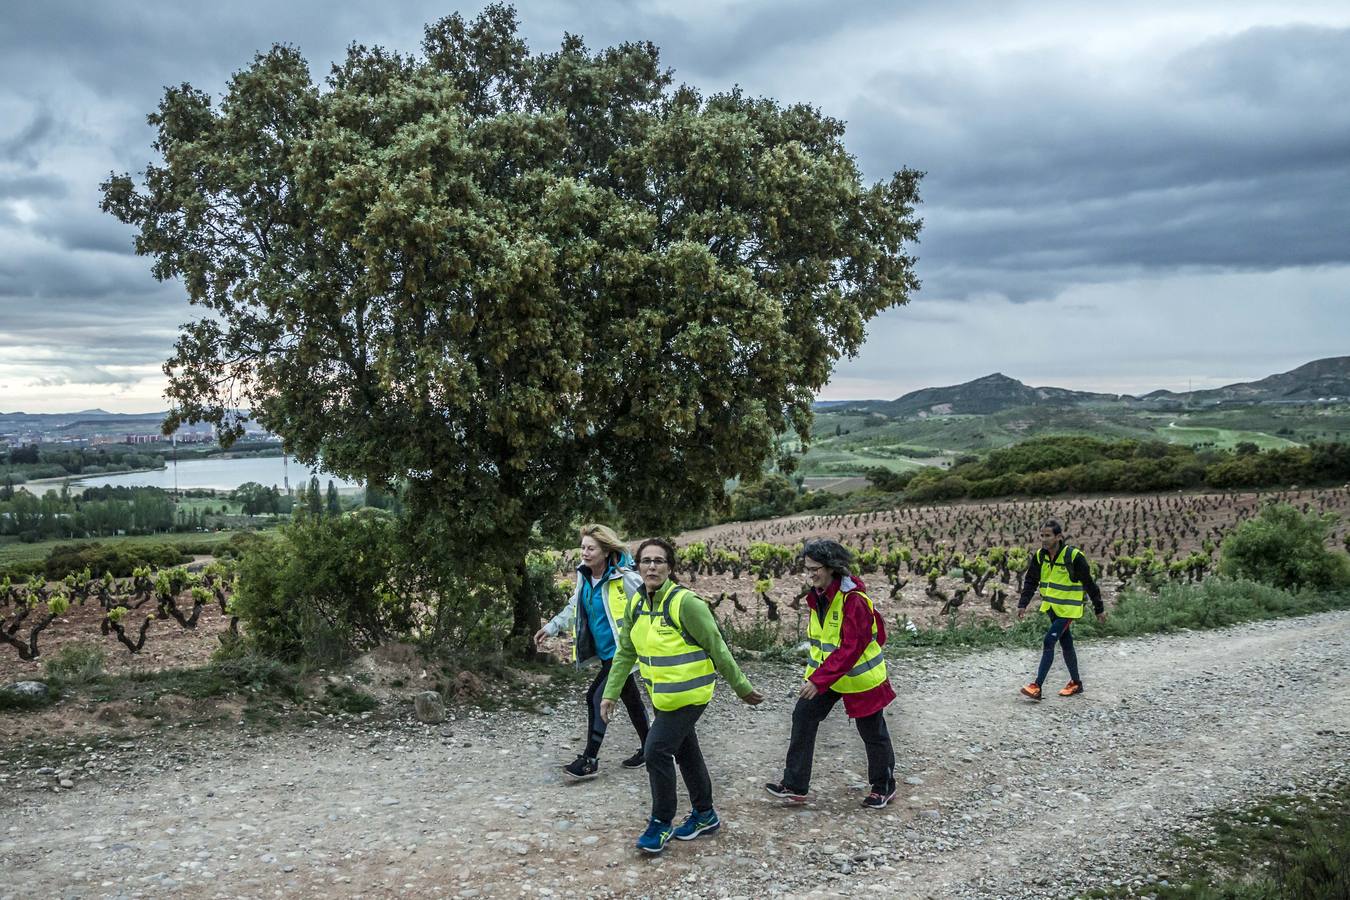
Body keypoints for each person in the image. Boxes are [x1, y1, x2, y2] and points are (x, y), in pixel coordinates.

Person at [600, 538, 764, 854]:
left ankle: (661, 822)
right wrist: (610, 694)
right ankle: (705, 814)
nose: (651, 566)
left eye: (658, 561)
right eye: (645, 561)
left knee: (656, 749)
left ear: (670, 567)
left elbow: (717, 648)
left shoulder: (686, 604)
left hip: (691, 695)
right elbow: (625, 653)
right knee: (686, 751)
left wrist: (742, 687)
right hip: (662, 698)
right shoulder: (637, 604)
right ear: (638, 566)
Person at [764, 539, 898, 809]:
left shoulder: (854, 600)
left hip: (861, 678)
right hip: (830, 676)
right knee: (803, 715)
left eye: (815, 568)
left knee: (872, 731)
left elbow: (852, 647)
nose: (810, 574)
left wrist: (819, 679)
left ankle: (884, 785)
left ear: (833, 568)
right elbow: (824, 644)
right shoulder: (818, 597)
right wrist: (814, 676)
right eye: (807, 568)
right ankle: (795, 784)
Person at [534, 524, 650, 780]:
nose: (585, 553)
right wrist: (552, 626)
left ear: (606, 551)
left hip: (623, 654)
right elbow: (575, 606)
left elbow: (650, 604)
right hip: (605, 652)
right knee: (630, 698)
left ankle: (590, 759)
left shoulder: (625, 578)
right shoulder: (585, 576)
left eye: (591, 548)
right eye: (583, 547)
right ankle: (650, 749)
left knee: (596, 697)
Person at [1017, 518, 1106, 700]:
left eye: (1048, 536)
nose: (1044, 539)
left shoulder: (1074, 557)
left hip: (1068, 609)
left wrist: (1099, 608)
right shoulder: (1040, 556)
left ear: (1059, 537)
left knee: (1049, 642)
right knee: (1066, 643)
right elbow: (1031, 580)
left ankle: (1037, 686)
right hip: (1052, 607)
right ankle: (1076, 683)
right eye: (1041, 535)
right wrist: (1023, 603)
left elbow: (1089, 584)